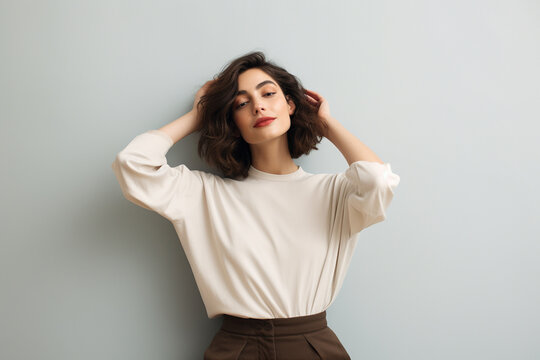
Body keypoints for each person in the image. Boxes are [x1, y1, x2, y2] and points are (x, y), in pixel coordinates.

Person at [111, 51, 400, 359]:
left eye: (268, 93)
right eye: (241, 103)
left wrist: (326, 125)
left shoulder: (334, 192)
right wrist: (199, 115)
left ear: (290, 104)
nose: (258, 105)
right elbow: (132, 165)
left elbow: (379, 181)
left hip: (312, 347)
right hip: (237, 348)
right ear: (233, 123)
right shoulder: (204, 195)